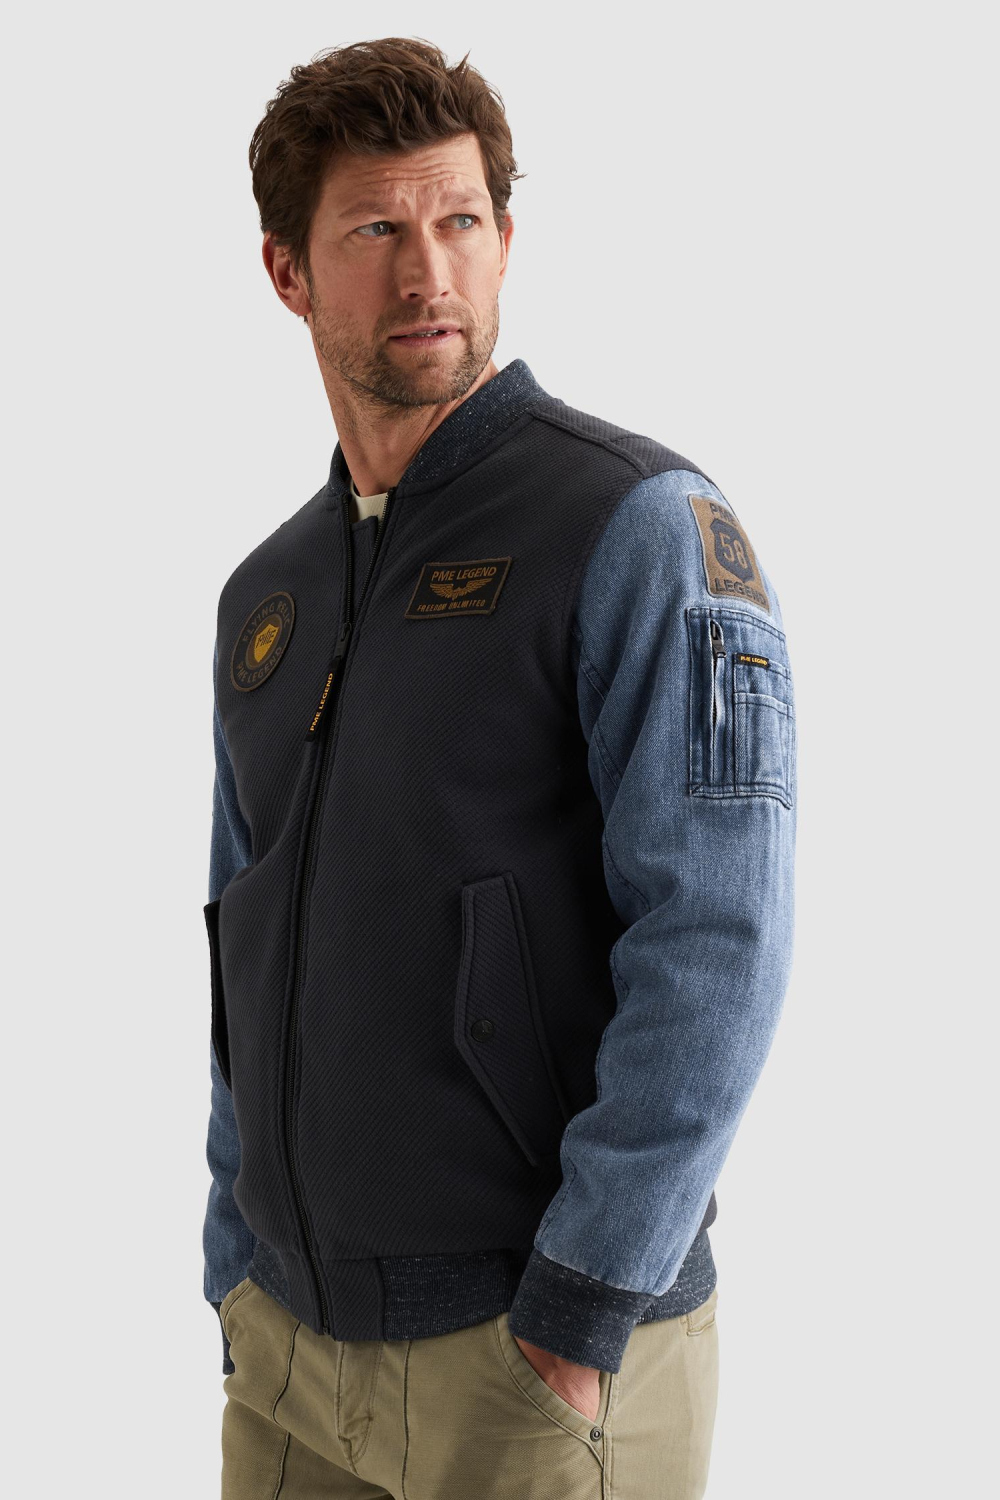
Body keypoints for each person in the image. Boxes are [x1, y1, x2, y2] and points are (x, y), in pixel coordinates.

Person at [202, 35, 797, 1500]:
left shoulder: (636, 526)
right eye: (375, 230)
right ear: (287, 271)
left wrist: (580, 1310)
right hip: (288, 1350)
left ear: (507, 239)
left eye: (459, 220)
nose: (429, 274)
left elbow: (719, 935)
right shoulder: (268, 596)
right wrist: (233, 1258)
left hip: (530, 1353)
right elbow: (242, 936)